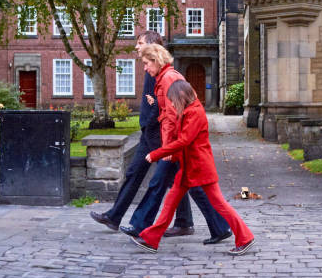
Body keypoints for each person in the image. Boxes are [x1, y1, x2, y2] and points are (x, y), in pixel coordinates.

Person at [90, 32, 231, 245]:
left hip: (169, 141)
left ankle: (142, 227)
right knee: (178, 183)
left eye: (146, 61)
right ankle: (211, 226)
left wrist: (166, 147)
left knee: (165, 184)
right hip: (166, 139)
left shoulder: (168, 78)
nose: (144, 67)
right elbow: (166, 109)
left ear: (154, 56)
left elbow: (174, 115)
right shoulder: (163, 76)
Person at [131, 80, 256, 256]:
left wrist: (157, 154)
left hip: (200, 168)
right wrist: (171, 154)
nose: (172, 104)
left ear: (181, 97)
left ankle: (245, 237)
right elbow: (182, 140)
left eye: (173, 100)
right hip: (188, 168)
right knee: (169, 203)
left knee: (220, 205)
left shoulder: (195, 112)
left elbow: (184, 141)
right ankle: (151, 239)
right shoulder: (188, 111)